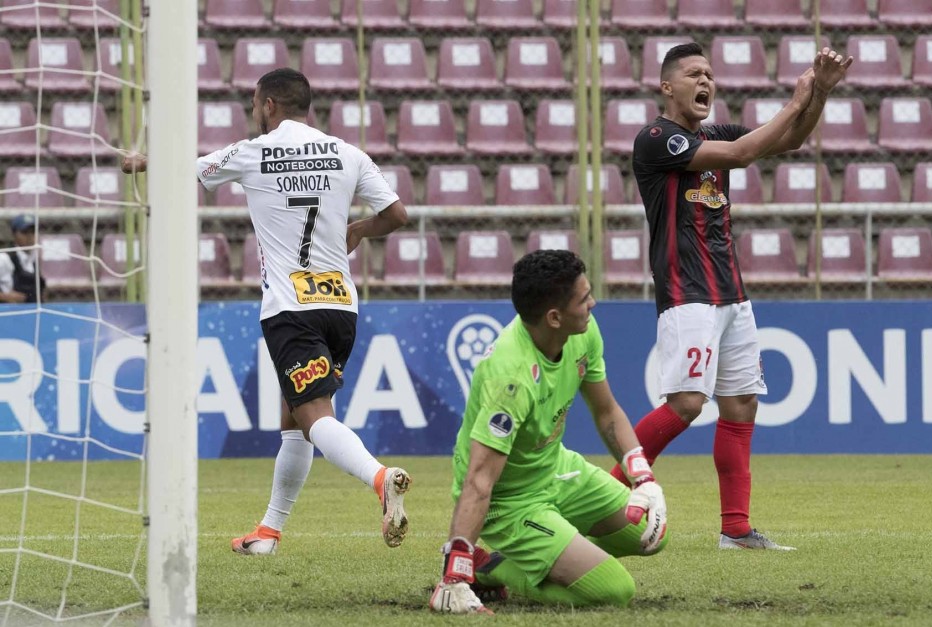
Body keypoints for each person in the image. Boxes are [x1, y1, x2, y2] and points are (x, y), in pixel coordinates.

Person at [122, 68, 411, 555]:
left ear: (270, 105)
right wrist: (359, 229)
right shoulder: (348, 152)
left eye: (256, 104)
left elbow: (183, 168)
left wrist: (141, 161)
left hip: (290, 307)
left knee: (314, 416)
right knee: (294, 419)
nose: (255, 113)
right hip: (341, 306)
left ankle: (380, 478)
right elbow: (399, 215)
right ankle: (268, 532)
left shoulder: (254, 152)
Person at [607, 43, 853, 550]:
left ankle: (736, 531)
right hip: (686, 291)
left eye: (711, 75)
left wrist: (819, 96)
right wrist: (794, 98)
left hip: (731, 293)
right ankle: (604, 495)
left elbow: (789, 143)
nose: (706, 83)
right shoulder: (658, 139)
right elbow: (745, 153)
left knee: (741, 404)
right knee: (688, 404)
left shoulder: (714, 133)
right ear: (667, 86)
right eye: (695, 74)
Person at [430, 250, 668, 615]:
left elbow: (607, 413)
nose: (594, 303)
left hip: (557, 470)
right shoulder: (511, 377)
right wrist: (455, 571)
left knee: (652, 533)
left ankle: (556, 548)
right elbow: (479, 479)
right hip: (510, 502)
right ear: (554, 317)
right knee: (615, 590)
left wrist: (643, 476)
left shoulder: (583, 333)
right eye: (584, 298)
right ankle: (493, 568)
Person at [0, 214, 45, 304]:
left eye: (33, 232)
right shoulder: (4, 258)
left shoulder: (34, 257)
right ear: (14, 234)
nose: (30, 237)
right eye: (24, 232)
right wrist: (5, 296)